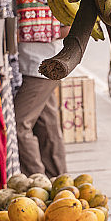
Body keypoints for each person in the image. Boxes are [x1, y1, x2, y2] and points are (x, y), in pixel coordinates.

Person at [14, 27, 68, 178]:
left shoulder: (57, 3)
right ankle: (60, 181)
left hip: (39, 66)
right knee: (47, 126)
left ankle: (38, 181)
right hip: (38, 66)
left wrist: (27, 31)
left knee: (19, 126)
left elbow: (68, 29)